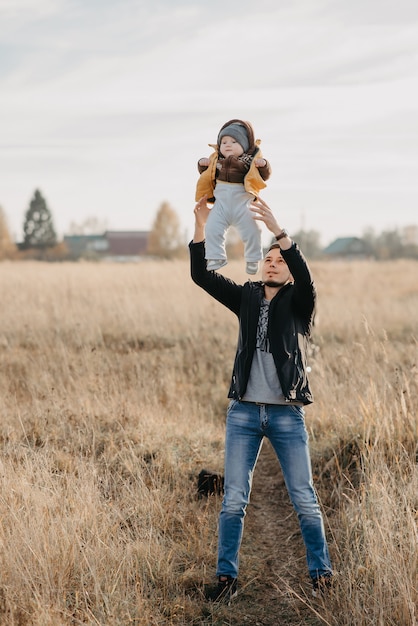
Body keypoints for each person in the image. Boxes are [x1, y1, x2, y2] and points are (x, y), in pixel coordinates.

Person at [189, 196, 333, 603]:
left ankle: (321, 577)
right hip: (243, 414)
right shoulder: (247, 297)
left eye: (280, 260)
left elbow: (307, 279)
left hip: (287, 416)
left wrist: (278, 230)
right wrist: (202, 225)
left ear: (288, 272)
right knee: (233, 500)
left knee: (304, 499)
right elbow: (202, 277)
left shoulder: (299, 303)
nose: (272, 262)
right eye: (268, 258)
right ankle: (226, 581)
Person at [195, 119, 272, 275]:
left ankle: (253, 258)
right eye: (224, 142)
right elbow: (206, 174)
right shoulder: (217, 161)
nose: (228, 144)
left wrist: (263, 164)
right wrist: (202, 164)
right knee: (211, 228)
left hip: (242, 204)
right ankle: (216, 257)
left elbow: (265, 175)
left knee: (253, 231)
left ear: (244, 145)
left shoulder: (249, 161)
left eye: (234, 141)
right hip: (221, 205)